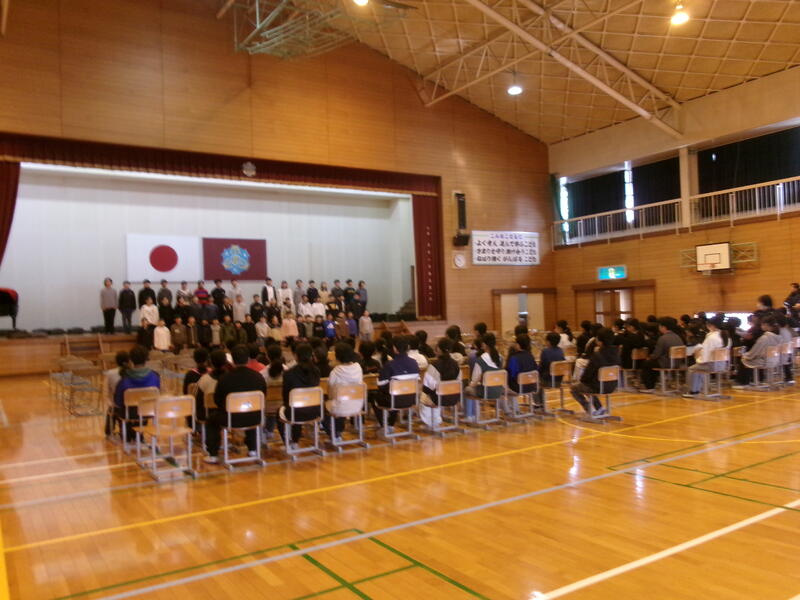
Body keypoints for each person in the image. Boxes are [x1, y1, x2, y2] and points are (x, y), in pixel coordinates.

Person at [203, 345, 266, 463]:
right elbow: (263, 397)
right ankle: (253, 449)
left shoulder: (224, 378)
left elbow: (218, 400)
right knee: (251, 410)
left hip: (230, 418)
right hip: (256, 418)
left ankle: (213, 454)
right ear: (248, 359)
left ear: (232, 360)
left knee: (211, 420)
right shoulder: (258, 377)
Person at [113, 345, 161, 441]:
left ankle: (129, 433)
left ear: (131, 360)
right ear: (146, 359)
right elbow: (158, 395)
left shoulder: (124, 380)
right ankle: (138, 434)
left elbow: (118, 402)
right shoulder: (155, 377)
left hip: (129, 414)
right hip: (148, 412)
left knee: (123, 409)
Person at [570, 328, 619, 417]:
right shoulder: (616, 353)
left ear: (600, 341)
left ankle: (588, 409)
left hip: (598, 386)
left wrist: (582, 381)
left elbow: (587, 374)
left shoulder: (597, 355)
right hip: (612, 385)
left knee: (575, 388)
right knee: (589, 386)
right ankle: (599, 408)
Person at [374, 336, 419, 435]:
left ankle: (386, 426)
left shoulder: (389, 365)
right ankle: (390, 425)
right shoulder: (414, 363)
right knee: (394, 393)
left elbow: (381, 385)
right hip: (411, 399)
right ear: (408, 347)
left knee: (375, 395)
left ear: (394, 348)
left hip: (394, 400)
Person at [281, 343, 322, 448]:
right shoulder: (316, 371)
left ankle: (291, 442)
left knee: (282, 411)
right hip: (315, 411)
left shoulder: (289, 373)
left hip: (295, 412)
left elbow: (285, 396)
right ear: (311, 356)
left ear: (296, 356)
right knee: (297, 406)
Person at [324, 342, 364, 441]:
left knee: (323, 408)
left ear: (337, 356)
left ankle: (335, 434)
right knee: (338, 402)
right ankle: (338, 432)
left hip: (340, 406)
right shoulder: (358, 367)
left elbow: (330, 393)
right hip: (357, 405)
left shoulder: (335, 372)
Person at [683, 316, 730, 397]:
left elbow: (705, 354)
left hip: (712, 365)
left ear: (712, 326)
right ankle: (697, 389)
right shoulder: (726, 336)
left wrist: (698, 360)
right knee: (698, 368)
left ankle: (693, 391)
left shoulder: (711, 337)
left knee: (692, 369)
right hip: (722, 364)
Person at [419, 338, 461, 429]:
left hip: (439, 398)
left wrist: (424, 393)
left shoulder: (434, 365)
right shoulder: (455, 364)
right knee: (435, 393)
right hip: (454, 397)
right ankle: (436, 420)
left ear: (438, 349)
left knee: (423, 396)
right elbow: (459, 381)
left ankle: (430, 422)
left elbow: (427, 386)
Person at [464, 332, 505, 420]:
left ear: (484, 344)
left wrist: (469, 386)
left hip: (487, 392)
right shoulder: (500, 358)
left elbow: (474, 380)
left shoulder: (481, 360)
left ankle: (470, 416)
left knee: (467, 390)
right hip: (500, 390)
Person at [640, 317, 685, 392]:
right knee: (652, 363)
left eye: (659, 326)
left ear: (663, 327)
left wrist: (650, 357)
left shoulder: (663, 338)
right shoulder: (678, 337)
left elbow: (656, 354)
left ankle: (650, 387)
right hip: (677, 362)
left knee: (646, 364)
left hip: (666, 363)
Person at [734, 316, 780, 387]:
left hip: (764, 361)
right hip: (774, 360)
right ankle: (757, 380)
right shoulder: (778, 337)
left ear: (766, 325)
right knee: (748, 358)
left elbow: (754, 352)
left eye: (762, 325)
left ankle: (744, 383)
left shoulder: (764, 338)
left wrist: (745, 355)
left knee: (744, 360)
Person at [103, 350, 129, 436]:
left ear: (116, 362)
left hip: (117, 406)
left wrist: (110, 404)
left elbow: (105, 392)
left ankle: (111, 428)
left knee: (113, 408)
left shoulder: (110, 373)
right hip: (133, 406)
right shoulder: (133, 372)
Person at [537, 332, 565, 408]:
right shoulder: (560, 351)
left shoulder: (545, 351)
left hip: (548, 381)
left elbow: (541, 367)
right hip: (559, 380)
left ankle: (539, 404)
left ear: (548, 341)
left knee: (534, 382)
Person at [507, 334, 537, 398]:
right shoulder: (531, 356)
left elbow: (512, 375)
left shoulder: (514, 358)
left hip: (518, 387)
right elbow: (536, 370)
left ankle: (513, 404)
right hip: (532, 385)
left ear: (518, 345)